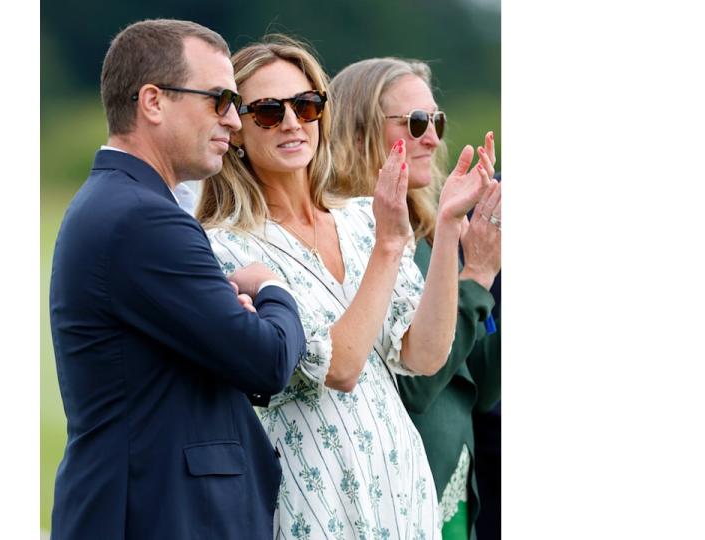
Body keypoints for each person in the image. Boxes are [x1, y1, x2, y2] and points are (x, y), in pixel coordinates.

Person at [197, 35, 491, 539]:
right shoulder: (222, 248)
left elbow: (422, 356)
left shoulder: (359, 220)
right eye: (268, 111)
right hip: (311, 501)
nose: (292, 122)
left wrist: (445, 230)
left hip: (403, 491)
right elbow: (340, 366)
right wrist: (389, 245)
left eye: (307, 105)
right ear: (238, 129)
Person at [48, 20, 308, 540]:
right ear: (153, 102)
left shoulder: (125, 206)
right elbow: (267, 359)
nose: (235, 120)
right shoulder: (144, 219)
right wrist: (270, 289)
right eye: (218, 99)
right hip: (158, 514)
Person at [330, 57, 502, 540]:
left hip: (453, 490)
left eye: (437, 121)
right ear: (358, 131)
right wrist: (476, 274)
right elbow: (416, 388)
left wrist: (488, 272)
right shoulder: (353, 239)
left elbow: (480, 388)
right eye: (417, 123)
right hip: (399, 500)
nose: (433, 137)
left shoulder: (428, 236)